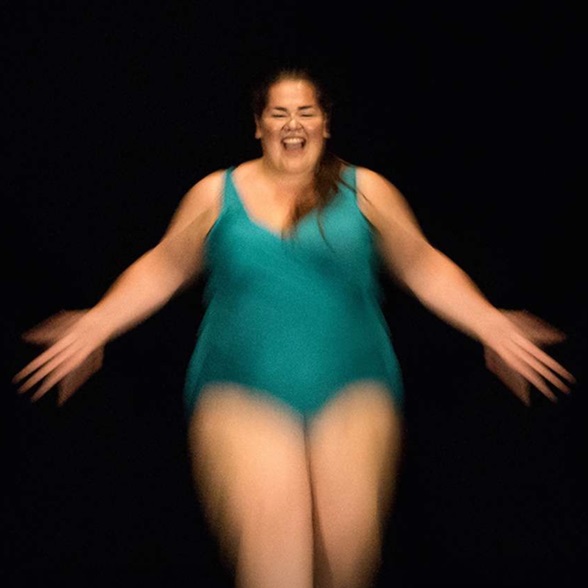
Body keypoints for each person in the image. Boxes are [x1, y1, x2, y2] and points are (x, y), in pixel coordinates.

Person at [13, 67, 575, 588]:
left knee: (345, 561)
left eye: (306, 112)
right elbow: (163, 266)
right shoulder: (216, 194)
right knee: (278, 564)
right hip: (242, 389)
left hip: (354, 387)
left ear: (325, 125)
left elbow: (422, 265)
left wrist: (490, 324)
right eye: (278, 113)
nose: (293, 124)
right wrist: (97, 324)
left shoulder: (366, 191)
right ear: (258, 126)